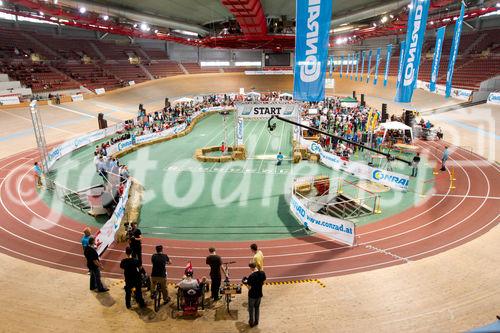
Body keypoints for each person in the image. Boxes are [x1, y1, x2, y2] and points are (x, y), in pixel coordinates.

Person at [243, 262, 266, 328]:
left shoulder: (251, 276)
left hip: (252, 295)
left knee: (251, 309)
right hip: (259, 294)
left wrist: (245, 283)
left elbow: (249, 287)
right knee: (257, 308)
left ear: (252, 268)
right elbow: (263, 282)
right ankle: (256, 321)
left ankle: (251, 322)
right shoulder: (262, 273)